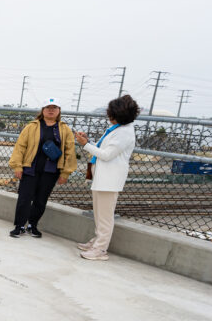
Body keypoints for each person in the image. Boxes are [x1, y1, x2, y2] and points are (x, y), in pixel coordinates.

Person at [74, 94, 140, 261]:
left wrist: (85, 145)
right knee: (99, 213)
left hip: (109, 179)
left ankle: (101, 249)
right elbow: (102, 149)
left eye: (111, 114)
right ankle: (97, 242)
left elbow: (106, 155)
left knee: (105, 216)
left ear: (118, 115)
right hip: (102, 177)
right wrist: (88, 141)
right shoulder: (117, 129)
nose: (109, 117)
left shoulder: (124, 133)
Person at [8, 98, 76, 238]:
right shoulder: (32, 126)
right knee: (24, 198)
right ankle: (19, 225)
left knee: (41, 199)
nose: (51, 110)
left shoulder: (64, 129)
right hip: (30, 168)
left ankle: (33, 225)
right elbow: (20, 146)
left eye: (54, 107)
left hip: (50, 171)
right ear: (43, 110)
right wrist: (17, 166)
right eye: (48, 107)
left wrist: (65, 173)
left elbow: (70, 151)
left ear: (59, 111)